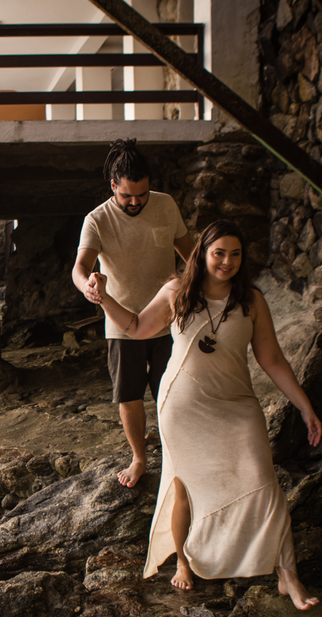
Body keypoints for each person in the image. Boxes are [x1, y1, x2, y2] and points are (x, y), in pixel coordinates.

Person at [92, 219, 321, 611]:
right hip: (183, 406)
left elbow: (272, 359)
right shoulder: (177, 291)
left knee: (264, 481)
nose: (227, 261)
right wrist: (104, 298)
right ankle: (183, 559)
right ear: (202, 253)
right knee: (183, 488)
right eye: (219, 253)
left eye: (235, 254)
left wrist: (304, 405)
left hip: (237, 404)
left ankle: (288, 574)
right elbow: (134, 327)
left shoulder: (251, 301)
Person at [72, 139, 195, 488]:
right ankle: (139, 458)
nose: (136, 202)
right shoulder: (96, 219)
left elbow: (190, 253)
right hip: (122, 321)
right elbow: (80, 267)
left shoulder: (166, 205)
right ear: (113, 185)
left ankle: (178, 453)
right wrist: (87, 286)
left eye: (142, 194)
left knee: (172, 390)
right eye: (127, 195)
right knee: (129, 395)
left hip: (166, 318)